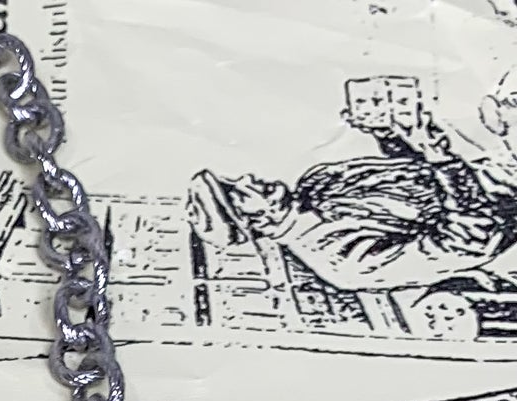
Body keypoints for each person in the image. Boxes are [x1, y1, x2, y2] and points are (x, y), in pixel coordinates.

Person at [189, 99, 517, 292]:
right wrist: (442, 160)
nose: (247, 179)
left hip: (498, 172)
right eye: (237, 192)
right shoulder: (341, 261)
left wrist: (390, 136)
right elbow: (469, 240)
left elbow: (413, 177)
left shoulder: (316, 182)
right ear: (253, 222)